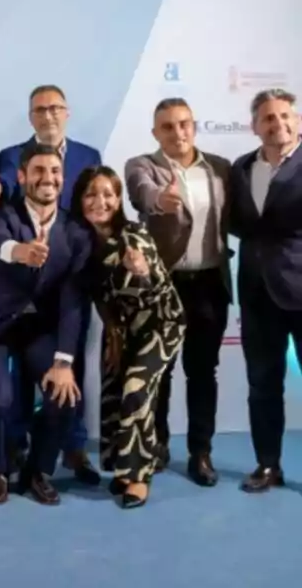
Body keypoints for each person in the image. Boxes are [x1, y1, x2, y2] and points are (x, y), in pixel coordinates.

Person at [0, 143, 91, 506]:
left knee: (63, 396)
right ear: (21, 176)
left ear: (63, 178)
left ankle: (37, 472)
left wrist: (64, 361)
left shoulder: (76, 231)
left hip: (38, 329)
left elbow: (73, 301)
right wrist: (21, 251)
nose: (48, 178)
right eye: (38, 171)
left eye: (55, 171)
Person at [0, 84, 101, 484]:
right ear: (30, 117)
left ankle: (73, 446)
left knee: (71, 363)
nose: (48, 115)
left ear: (66, 113)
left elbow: (94, 206)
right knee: (21, 370)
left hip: (72, 280)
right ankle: (18, 444)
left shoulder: (89, 156)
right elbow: (7, 187)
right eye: (40, 109)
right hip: (24, 284)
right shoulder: (11, 156)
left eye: (55, 108)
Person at [124, 98, 231, 485]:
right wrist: (160, 200)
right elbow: (142, 193)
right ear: (155, 133)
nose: (178, 132)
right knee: (160, 372)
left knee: (202, 372)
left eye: (184, 123)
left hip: (209, 284)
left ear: (194, 126)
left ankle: (201, 452)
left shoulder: (220, 168)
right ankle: (158, 446)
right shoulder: (141, 165)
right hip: (161, 285)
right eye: (167, 126)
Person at [73, 166, 184, 508]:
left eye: (108, 194)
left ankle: (139, 476)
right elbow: (97, 297)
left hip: (160, 324)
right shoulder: (81, 242)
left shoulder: (134, 235)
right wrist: (113, 330)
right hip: (120, 328)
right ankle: (121, 468)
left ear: (119, 199)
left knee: (136, 389)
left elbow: (156, 289)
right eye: (91, 194)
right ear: (79, 199)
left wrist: (143, 271)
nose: (100, 202)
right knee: (113, 390)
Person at [228, 88, 302, 493]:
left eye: (286, 116)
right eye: (269, 118)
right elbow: (237, 223)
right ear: (255, 126)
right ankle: (268, 465)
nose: (279, 124)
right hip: (257, 295)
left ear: (298, 121)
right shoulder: (241, 168)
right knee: (262, 385)